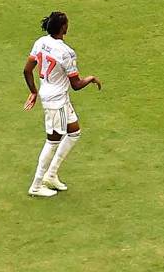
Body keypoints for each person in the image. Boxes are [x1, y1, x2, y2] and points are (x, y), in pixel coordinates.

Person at [24, 10, 102, 197]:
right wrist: (90, 78)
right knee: (53, 140)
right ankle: (36, 185)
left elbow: (27, 70)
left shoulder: (40, 42)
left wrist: (34, 91)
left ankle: (51, 175)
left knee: (74, 132)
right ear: (63, 28)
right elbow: (76, 84)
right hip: (56, 101)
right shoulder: (66, 53)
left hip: (54, 96)